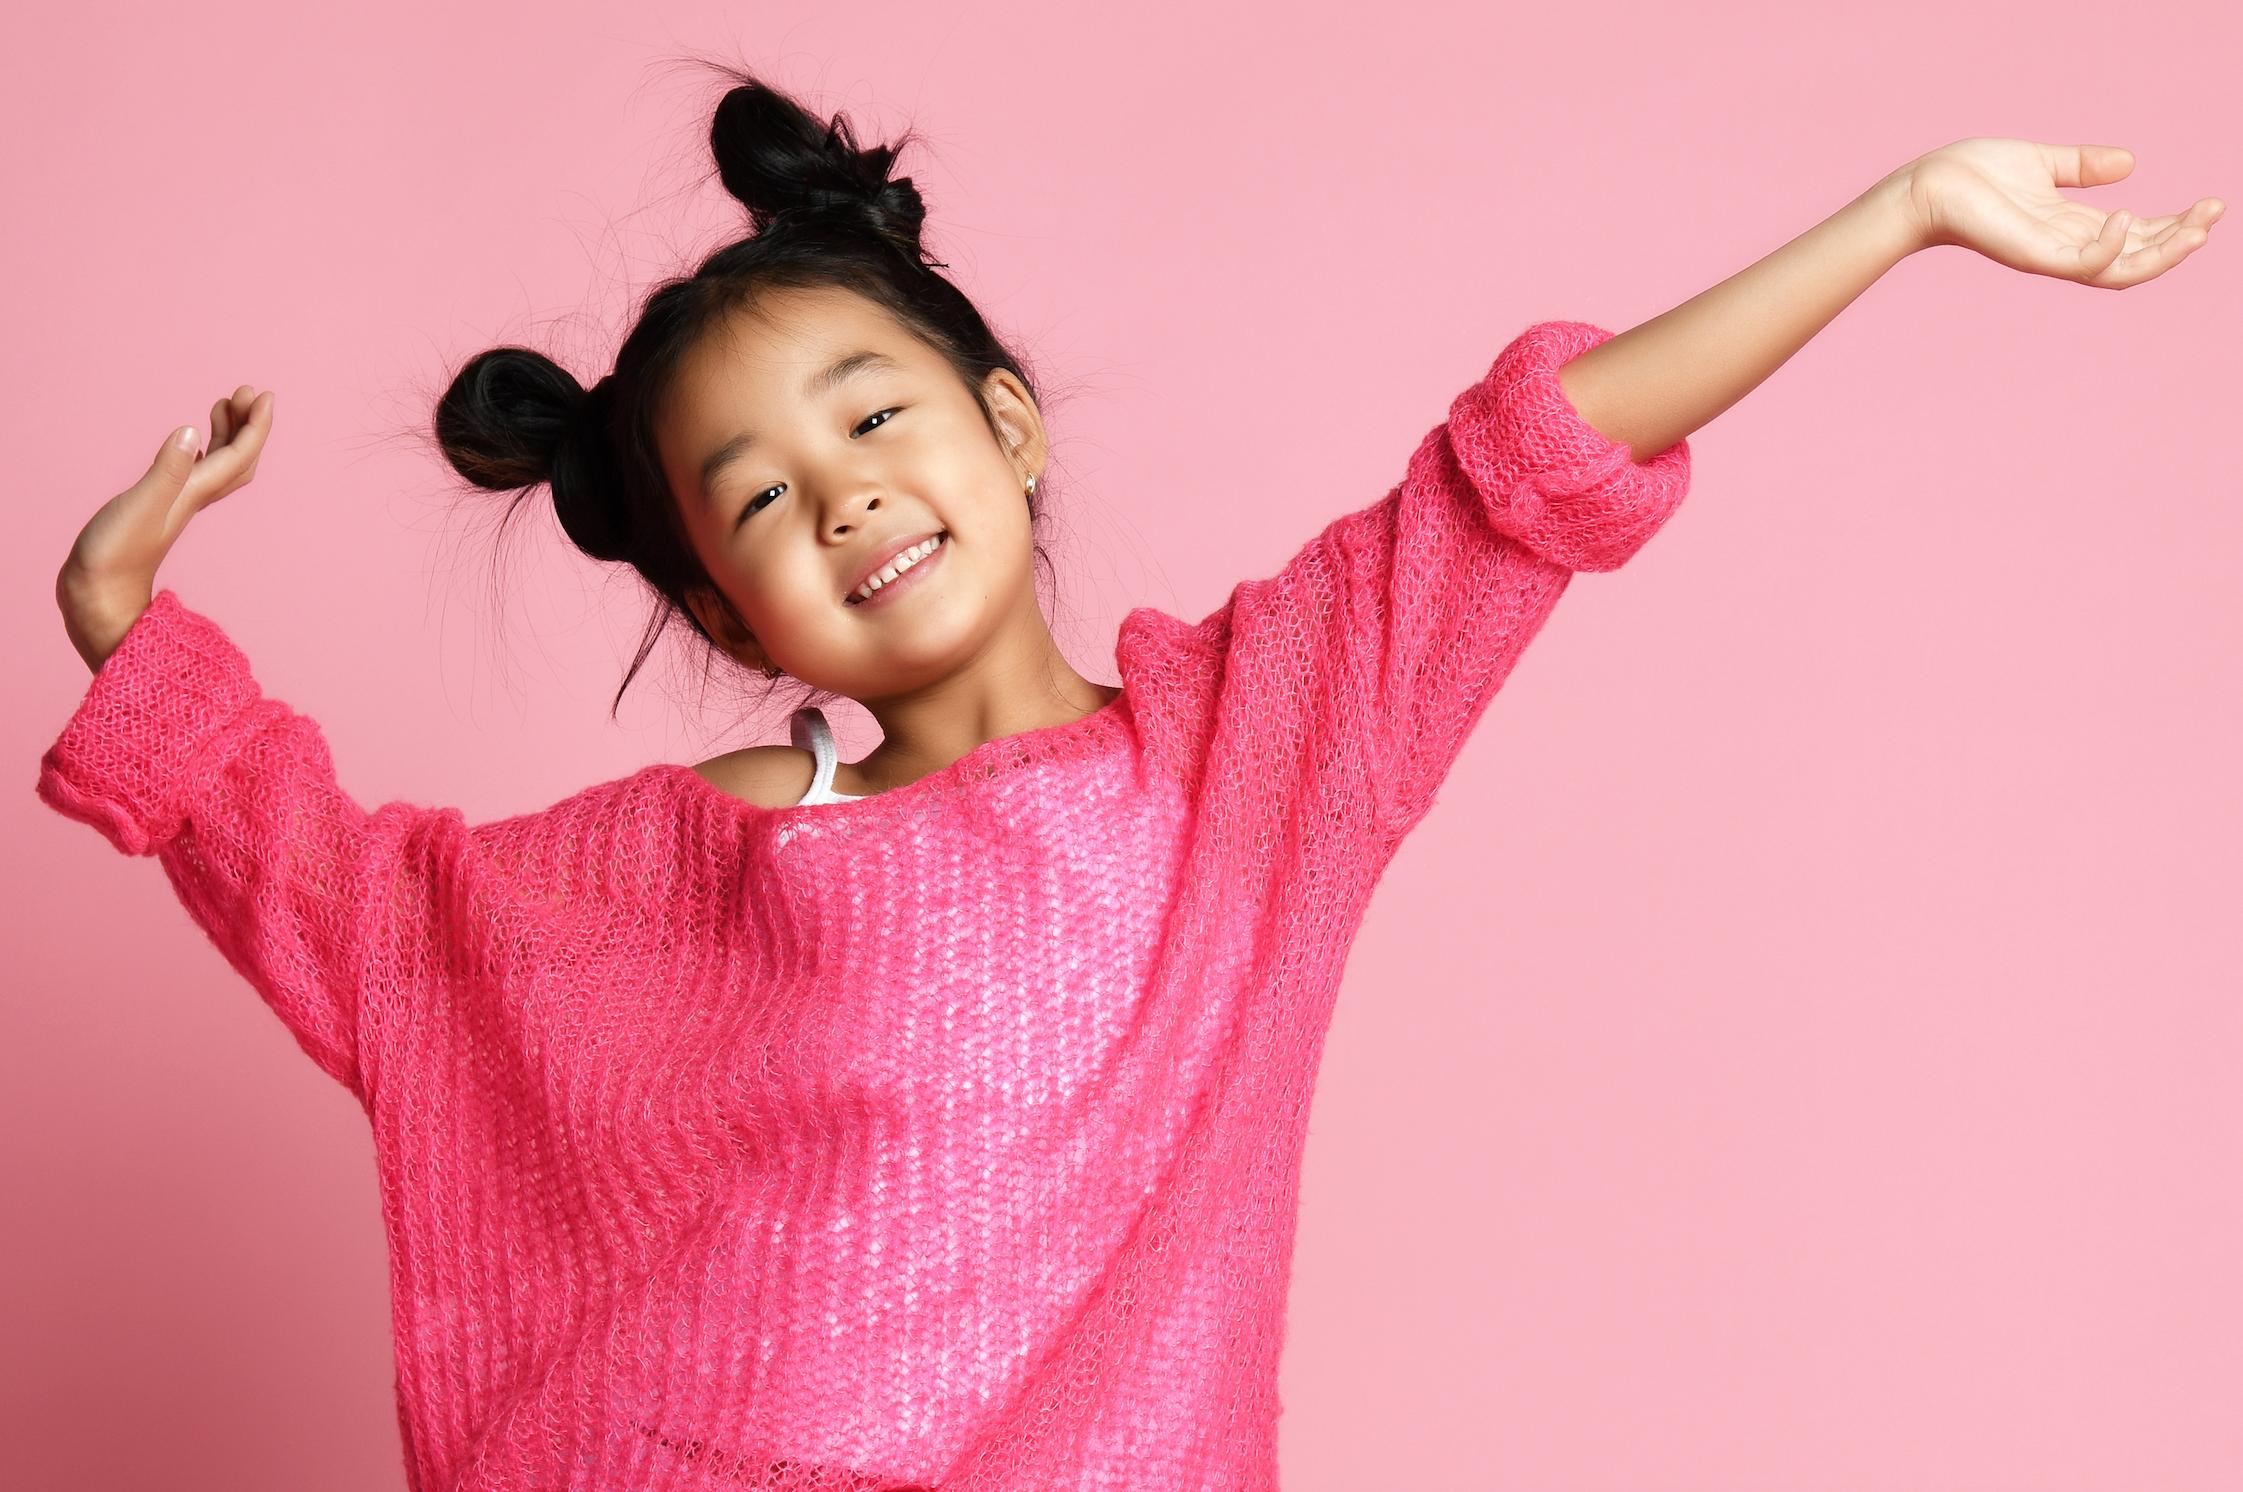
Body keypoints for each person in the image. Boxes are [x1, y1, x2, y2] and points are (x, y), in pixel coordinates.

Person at [35, 56, 2221, 1492]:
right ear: (726, 615)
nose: (849, 501)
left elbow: (1529, 471)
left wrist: (1904, 210)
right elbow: (365, 915)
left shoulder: (1262, 746)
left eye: (876, 421)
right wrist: (133, 620)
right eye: (764, 502)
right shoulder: (715, 855)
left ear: (1007, 422)